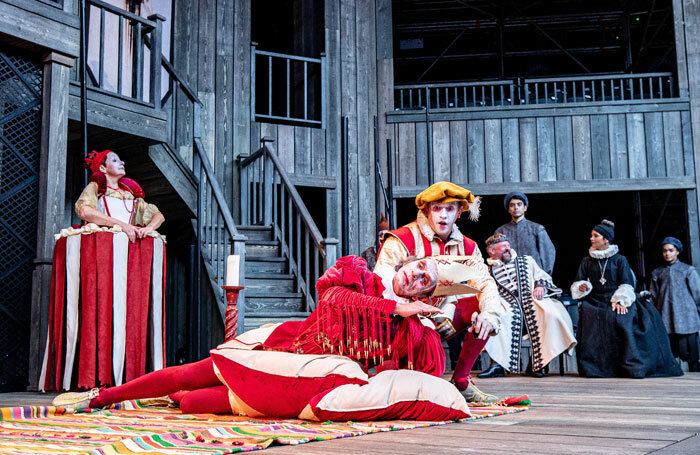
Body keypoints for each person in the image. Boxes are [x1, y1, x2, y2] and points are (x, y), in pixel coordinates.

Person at [52, 255, 448, 414]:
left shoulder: (407, 328)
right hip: (281, 347)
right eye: (420, 267)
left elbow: (412, 369)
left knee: (192, 404)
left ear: (425, 293)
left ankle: (173, 402)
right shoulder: (359, 272)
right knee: (190, 373)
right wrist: (395, 307)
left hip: (305, 381)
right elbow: (330, 298)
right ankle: (101, 398)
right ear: (408, 262)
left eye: (425, 282)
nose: (417, 276)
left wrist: (428, 326)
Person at [374, 181, 503, 405]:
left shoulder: (469, 247)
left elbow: (485, 283)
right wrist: (411, 312)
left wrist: (490, 315)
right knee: (391, 391)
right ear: (426, 210)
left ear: (459, 212)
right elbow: (380, 287)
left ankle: (462, 381)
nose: (443, 215)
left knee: (484, 307)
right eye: (437, 208)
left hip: (441, 320)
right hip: (400, 324)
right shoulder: (401, 239)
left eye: (450, 209)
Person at [571, 220, 682, 378]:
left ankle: (630, 366)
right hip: (595, 299)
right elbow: (580, 280)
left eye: (596, 236)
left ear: (606, 240)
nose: (591, 238)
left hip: (615, 297)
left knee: (622, 319)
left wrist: (621, 300)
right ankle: (594, 368)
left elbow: (626, 283)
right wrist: (583, 286)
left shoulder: (619, 259)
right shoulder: (586, 261)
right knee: (591, 320)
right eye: (591, 235)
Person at [482, 234, 576, 378]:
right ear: (492, 251)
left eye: (508, 245)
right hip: (507, 306)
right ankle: (497, 365)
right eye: (503, 246)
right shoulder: (487, 271)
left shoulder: (526, 261)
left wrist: (540, 286)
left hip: (532, 300)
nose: (508, 248)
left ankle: (539, 363)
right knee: (496, 318)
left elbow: (542, 276)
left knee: (552, 315)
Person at [76, 149, 164, 242]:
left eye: (120, 160)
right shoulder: (96, 187)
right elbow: (85, 211)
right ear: (103, 168)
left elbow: (159, 216)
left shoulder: (129, 194)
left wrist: (149, 228)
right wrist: (121, 225)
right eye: (115, 160)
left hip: (126, 242)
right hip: (104, 241)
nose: (122, 162)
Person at [650, 237, 700, 372]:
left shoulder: (688, 270)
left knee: (692, 355)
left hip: (687, 317)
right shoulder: (657, 272)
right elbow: (653, 296)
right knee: (670, 353)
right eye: (665, 251)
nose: (667, 254)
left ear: (677, 252)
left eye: (671, 250)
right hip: (666, 316)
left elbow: (697, 293)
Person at [496, 192, 555, 275]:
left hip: (535, 277)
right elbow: (496, 257)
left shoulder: (537, 229)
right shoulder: (501, 232)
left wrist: (544, 278)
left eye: (519, 204)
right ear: (508, 209)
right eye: (512, 205)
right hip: (510, 278)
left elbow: (548, 254)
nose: (516, 207)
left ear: (525, 208)